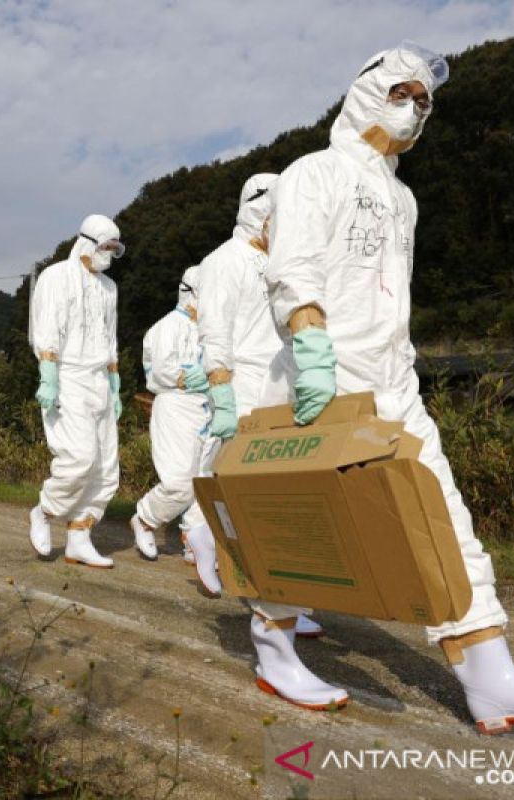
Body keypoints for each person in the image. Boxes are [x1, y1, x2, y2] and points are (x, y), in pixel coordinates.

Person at [252, 43, 514, 732]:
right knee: (303, 527)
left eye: (424, 102)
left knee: (441, 515)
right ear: (366, 93)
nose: (414, 110)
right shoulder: (310, 173)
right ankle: (273, 646)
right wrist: (312, 343)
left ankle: (489, 673)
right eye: (402, 94)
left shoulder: (403, 198)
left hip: (392, 380)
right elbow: (291, 266)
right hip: (322, 374)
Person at [183, 174, 324, 635]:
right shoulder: (223, 261)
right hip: (242, 385)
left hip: (281, 386)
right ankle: (216, 550)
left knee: (277, 500)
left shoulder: (282, 262)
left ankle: (280, 598)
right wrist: (221, 391)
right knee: (242, 498)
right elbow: (214, 332)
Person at [27, 214, 126, 567]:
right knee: (78, 458)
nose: (109, 254)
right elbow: (47, 327)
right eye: (104, 247)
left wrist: (115, 385)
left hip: (99, 378)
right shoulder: (56, 277)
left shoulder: (109, 288)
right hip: (67, 377)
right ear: (86, 241)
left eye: (114, 249)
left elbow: (110, 336)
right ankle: (44, 512)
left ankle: (79, 538)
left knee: (104, 467)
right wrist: (48, 377)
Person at [130, 267, 215, 563]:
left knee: (205, 478)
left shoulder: (209, 328)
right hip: (176, 407)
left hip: (207, 407)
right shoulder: (167, 327)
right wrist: (190, 377)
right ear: (190, 291)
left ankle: (194, 538)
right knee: (179, 482)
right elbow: (159, 373)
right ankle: (145, 518)